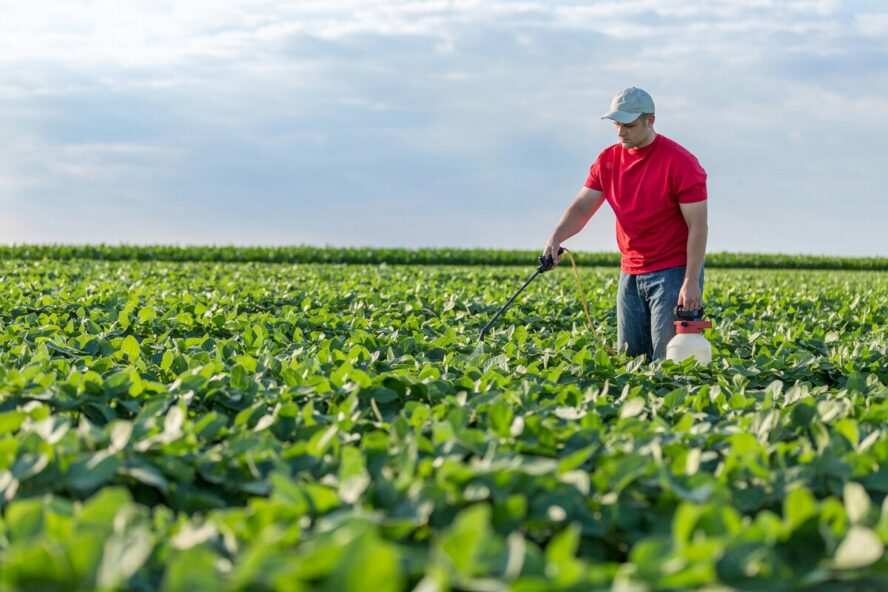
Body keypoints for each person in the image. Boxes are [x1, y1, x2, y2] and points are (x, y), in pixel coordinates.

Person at [543, 87, 708, 360]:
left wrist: (691, 280)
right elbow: (583, 206)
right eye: (617, 124)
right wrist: (556, 238)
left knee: (668, 363)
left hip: (673, 272)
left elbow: (698, 227)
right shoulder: (607, 160)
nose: (621, 132)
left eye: (628, 125)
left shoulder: (681, 163)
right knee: (630, 360)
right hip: (630, 273)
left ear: (650, 120)